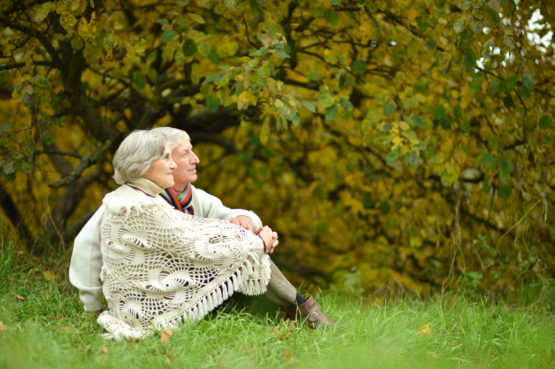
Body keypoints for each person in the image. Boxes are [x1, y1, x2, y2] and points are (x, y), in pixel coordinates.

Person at [69, 128, 335, 338]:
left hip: (157, 292)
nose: (186, 161)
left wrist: (245, 226)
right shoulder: (142, 206)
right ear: (145, 163)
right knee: (249, 254)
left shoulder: (142, 197)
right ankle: (301, 310)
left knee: (245, 249)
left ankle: (294, 309)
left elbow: (211, 223)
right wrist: (92, 307)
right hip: (152, 302)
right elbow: (195, 243)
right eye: (174, 156)